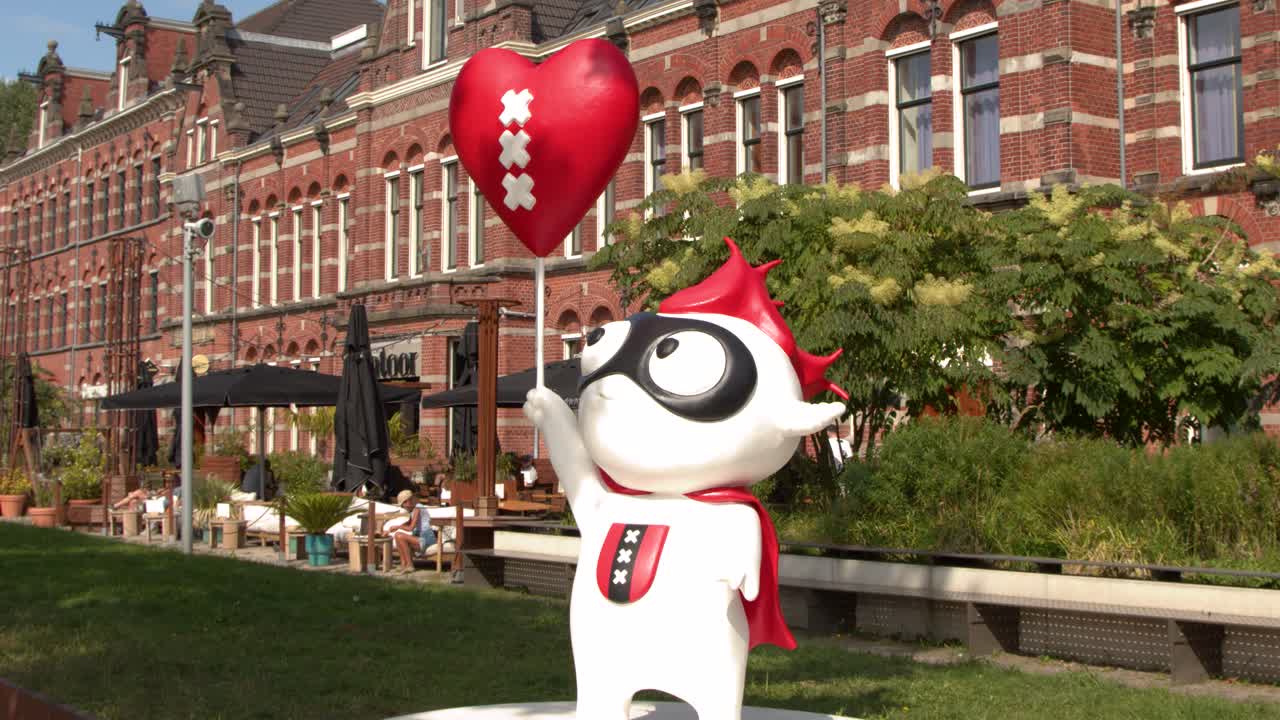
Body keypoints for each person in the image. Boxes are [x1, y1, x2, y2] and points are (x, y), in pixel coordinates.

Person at [390, 489, 436, 574]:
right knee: (397, 536)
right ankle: (404, 564)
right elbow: (408, 523)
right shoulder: (414, 510)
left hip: (426, 539)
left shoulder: (418, 507)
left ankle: (410, 565)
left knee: (399, 535)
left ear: (408, 501)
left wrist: (397, 527)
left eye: (403, 504)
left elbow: (411, 527)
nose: (403, 507)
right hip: (420, 538)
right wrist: (393, 528)